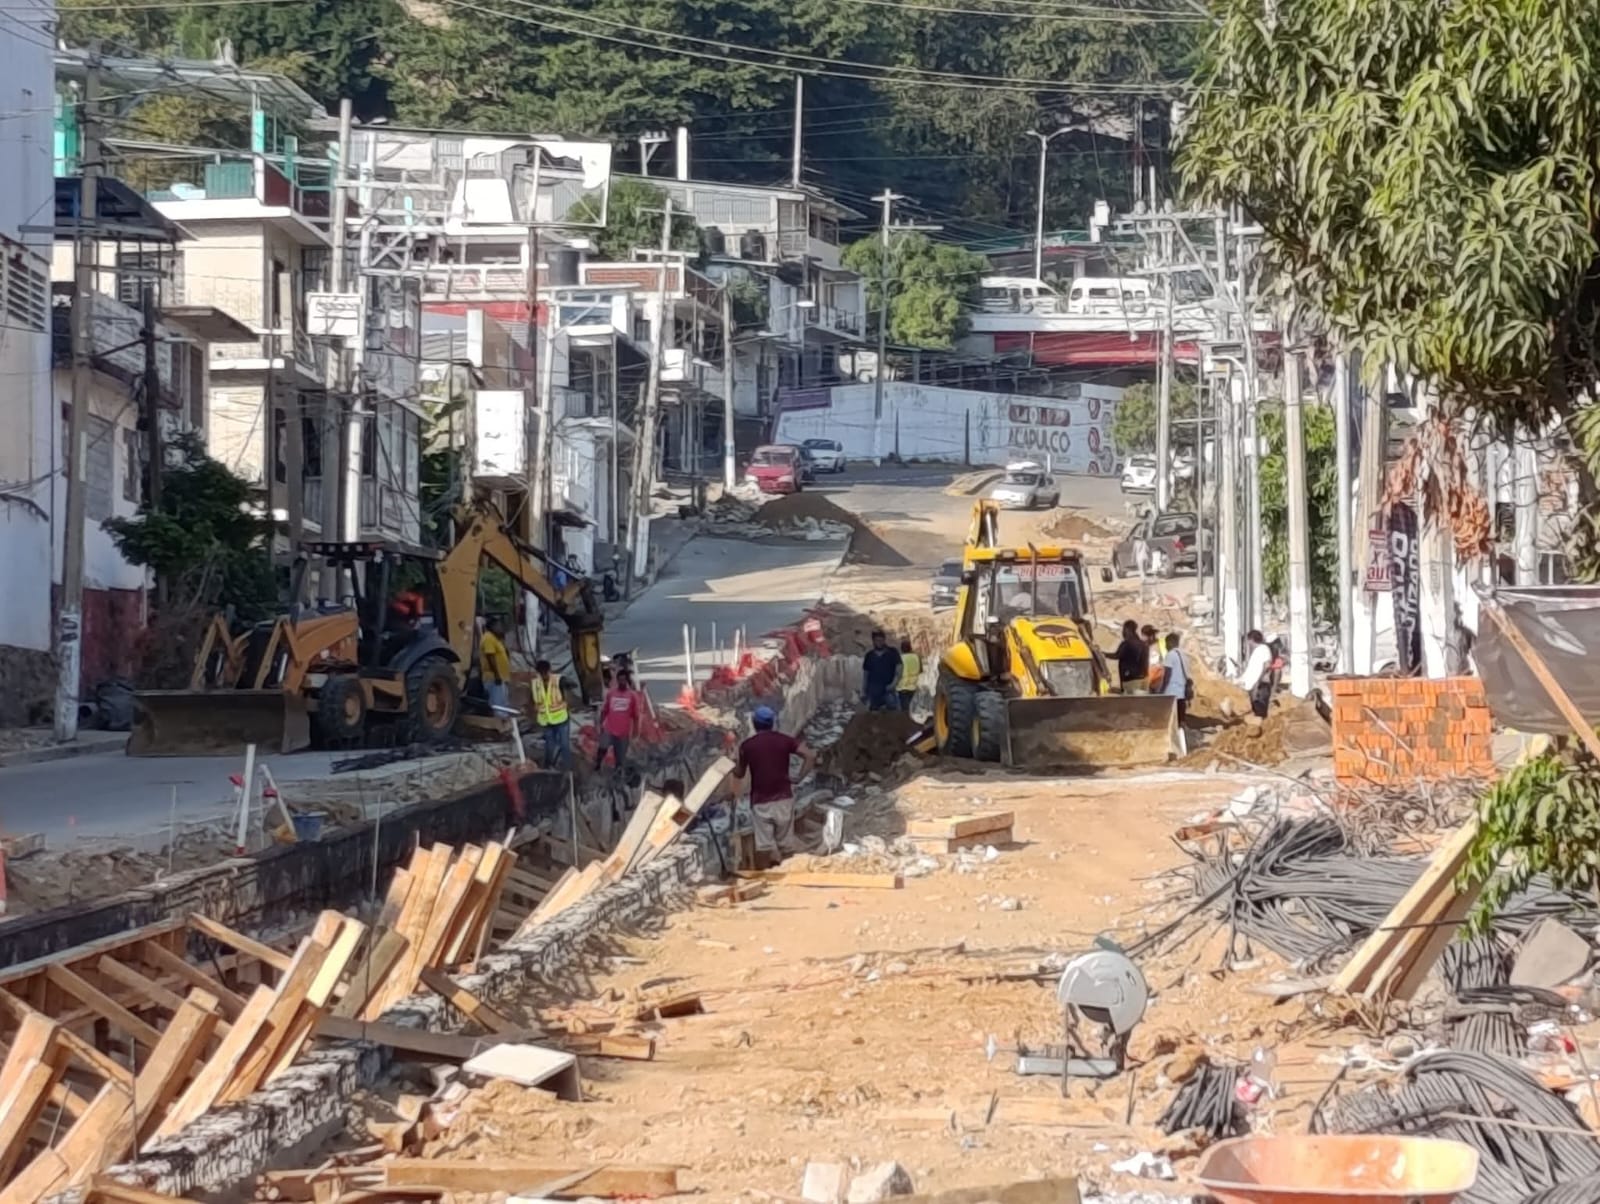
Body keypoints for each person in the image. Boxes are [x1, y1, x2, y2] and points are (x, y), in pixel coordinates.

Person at [730, 705, 816, 865]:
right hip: (784, 798)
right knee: (786, 846)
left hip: (760, 802)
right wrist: (799, 777)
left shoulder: (747, 746)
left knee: (764, 847)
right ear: (772, 723)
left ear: (754, 723)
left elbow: (739, 773)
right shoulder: (785, 740)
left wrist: (732, 762)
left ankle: (766, 876)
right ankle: (788, 872)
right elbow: (810, 756)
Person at [595, 668, 640, 771]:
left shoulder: (632, 696)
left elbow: (636, 716)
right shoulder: (611, 693)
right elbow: (604, 711)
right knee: (602, 747)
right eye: (619, 680)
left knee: (620, 760)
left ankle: (618, 774)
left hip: (623, 733)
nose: (621, 682)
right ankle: (597, 766)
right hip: (609, 729)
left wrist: (636, 732)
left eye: (623, 680)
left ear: (627, 681)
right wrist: (601, 725)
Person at [530, 658, 571, 768]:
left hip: (561, 719)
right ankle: (548, 766)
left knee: (564, 745)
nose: (544, 676)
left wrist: (566, 698)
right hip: (546, 721)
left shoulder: (558, 680)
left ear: (549, 670)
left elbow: (571, 686)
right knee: (549, 745)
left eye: (545, 673)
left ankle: (568, 769)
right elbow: (533, 700)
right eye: (541, 673)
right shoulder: (535, 684)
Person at [861, 629, 903, 711]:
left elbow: (899, 669)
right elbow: (865, 675)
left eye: (881, 640)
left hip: (888, 690)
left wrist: (893, 684)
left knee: (893, 714)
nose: (879, 642)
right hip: (873, 692)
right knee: (873, 715)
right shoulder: (869, 656)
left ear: (884, 640)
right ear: (873, 641)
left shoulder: (892, 652)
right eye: (877, 640)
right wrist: (863, 691)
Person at [1237, 629, 1273, 721]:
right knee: (1255, 710)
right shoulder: (1258, 651)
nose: (1248, 643)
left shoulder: (1264, 649)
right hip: (1254, 685)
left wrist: (1258, 681)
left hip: (1260, 685)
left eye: (1248, 640)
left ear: (1251, 639)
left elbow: (1267, 665)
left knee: (1260, 711)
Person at [1159, 631, 1194, 722]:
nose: (1165, 647)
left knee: (1170, 720)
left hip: (1171, 692)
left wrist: (1161, 690)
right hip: (1181, 693)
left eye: (1166, 644)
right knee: (1180, 720)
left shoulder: (1170, 655)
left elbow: (1167, 675)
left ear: (1170, 643)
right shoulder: (1184, 656)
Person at [479, 616, 512, 712]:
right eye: (499, 625)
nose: (501, 627)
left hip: (501, 678)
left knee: (503, 704)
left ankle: (503, 719)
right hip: (494, 678)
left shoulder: (496, 639)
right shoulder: (488, 638)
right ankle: (499, 720)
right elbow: (490, 657)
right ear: (492, 626)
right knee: (499, 705)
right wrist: (497, 675)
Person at [1115, 619, 1149, 693]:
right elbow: (1146, 663)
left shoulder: (1127, 643)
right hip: (1144, 680)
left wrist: (1102, 654)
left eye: (1124, 629)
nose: (1123, 632)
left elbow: (1116, 656)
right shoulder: (1143, 644)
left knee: (1131, 700)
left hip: (1131, 680)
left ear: (1127, 630)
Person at [896, 637, 921, 713]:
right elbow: (920, 670)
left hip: (902, 686)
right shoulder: (916, 657)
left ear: (901, 649)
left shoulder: (900, 658)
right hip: (914, 685)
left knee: (905, 710)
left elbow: (898, 671)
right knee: (913, 709)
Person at [1142, 624, 1165, 692]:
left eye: (1144, 636)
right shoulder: (1144, 646)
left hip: (1158, 677)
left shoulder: (1161, 645)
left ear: (1151, 636)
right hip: (1147, 677)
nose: (1143, 638)